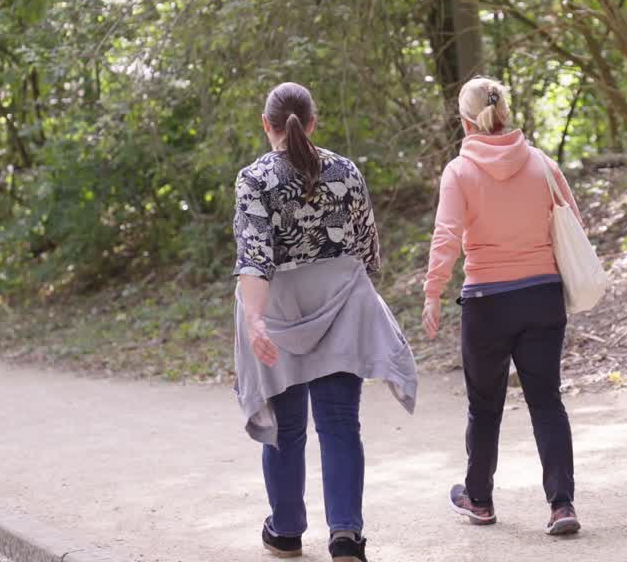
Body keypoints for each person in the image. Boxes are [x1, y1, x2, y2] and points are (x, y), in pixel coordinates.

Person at [233, 83, 417, 562]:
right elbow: (369, 250)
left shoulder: (253, 180)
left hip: (278, 311)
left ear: (265, 122)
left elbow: (255, 259)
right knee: (339, 424)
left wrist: (255, 322)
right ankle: (346, 536)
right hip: (341, 306)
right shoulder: (346, 171)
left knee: (284, 428)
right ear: (313, 122)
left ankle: (288, 531)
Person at [421, 77, 582, 536]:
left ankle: (481, 499)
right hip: (542, 297)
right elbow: (572, 225)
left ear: (465, 119)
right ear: (505, 112)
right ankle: (562, 504)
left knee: (485, 405)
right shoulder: (543, 166)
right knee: (546, 401)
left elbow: (447, 235)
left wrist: (433, 291)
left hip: (487, 302)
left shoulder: (460, 170)